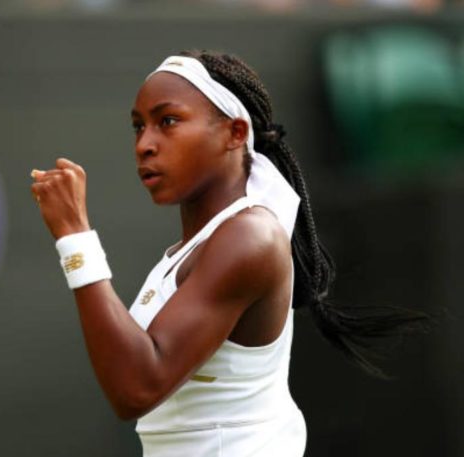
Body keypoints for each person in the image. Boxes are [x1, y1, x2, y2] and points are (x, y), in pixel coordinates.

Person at [30, 50, 425, 457]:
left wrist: (74, 236)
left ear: (235, 133)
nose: (144, 144)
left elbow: (136, 388)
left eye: (168, 121)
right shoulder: (190, 252)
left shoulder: (250, 237)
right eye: (138, 126)